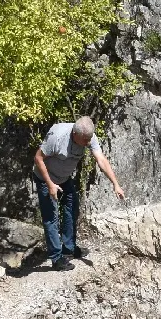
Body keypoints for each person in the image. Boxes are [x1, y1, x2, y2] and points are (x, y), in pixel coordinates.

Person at [31, 116, 126, 271]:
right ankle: (56, 258)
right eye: (85, 140)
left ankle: (69, 248)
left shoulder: (88, 136)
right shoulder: (57, 136)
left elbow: (101, 159)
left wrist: (116, 184)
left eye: (89, 139)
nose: (88, 143)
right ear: (75, 134)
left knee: (72, 208)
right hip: (45, 178)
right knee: (51, 216)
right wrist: (50, 185)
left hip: (64, 178)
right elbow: (38, 158)